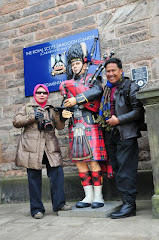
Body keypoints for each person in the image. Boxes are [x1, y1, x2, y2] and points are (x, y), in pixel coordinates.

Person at [59, 42, 113, 209]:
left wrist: (77, 99)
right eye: (72, 64)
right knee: (80, 163)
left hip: (90, 123)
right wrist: (63, 112)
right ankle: (88, 195)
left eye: (77, 63)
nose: (74, 67)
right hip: (74, 125)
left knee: (93, 161)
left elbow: (96, 92)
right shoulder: (68, 84)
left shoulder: (92, 78)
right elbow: (64, 103)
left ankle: (99, 195)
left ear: (84, 63)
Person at [13, 84, 71, 219]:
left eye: (44, 92)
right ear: (34, 94)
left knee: (57, 174)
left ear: (47, 94)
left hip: (50, 146)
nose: (41, 95)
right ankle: (37, 209)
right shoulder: (27, 107)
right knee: (34, 179)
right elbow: (16, 121)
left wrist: (62, 118)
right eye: (39, 92)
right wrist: (32, 116)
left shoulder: (52, 109)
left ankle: (59, 204)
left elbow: (60, 127)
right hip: (32, 148)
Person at [96, 57, 144, 218]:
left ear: (121, 71)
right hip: (111, 134)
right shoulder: (107, 89)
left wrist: (119, 120)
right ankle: (126, 202)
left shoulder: (130, 86)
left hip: (126, 134)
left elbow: (138, 111)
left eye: (113, 71)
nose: (110, 74)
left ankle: (130, 206)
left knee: (126, 171)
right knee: (117, 169)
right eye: (107, 71)